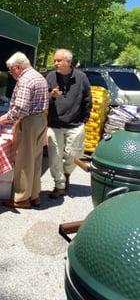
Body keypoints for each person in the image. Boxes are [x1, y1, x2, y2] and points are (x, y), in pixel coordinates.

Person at [0, 52, 49, 209]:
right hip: (41, 119)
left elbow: (20, 108)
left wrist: (6, 118)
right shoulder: (38, 76)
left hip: (29, 122)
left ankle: (21, 199)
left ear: (17, 67)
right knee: (35, 160)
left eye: (10, 70)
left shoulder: (25, 80)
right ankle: (34, 196)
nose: (10, 73)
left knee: (23, 161)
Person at [46, 49, 92, 199]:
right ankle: (59, 185)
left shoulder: (81, 77)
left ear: (68, 61)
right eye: (55, 60)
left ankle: (66, 174)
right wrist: (51, 96)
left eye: (58, 60)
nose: (55, 63)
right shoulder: (51, 76)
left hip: (75, 124)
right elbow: (42, 99)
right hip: (55, 124)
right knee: (54, 157)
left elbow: (87, 99)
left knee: (74, 155)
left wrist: (84, 118)